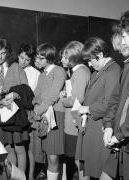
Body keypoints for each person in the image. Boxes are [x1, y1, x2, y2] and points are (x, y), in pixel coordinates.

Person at [75, 37, 121, 179]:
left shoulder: (113, 71)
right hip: (90, 126)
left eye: (90, 60)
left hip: (100, 127)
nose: (89, 64)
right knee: (83, 165)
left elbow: (110, 103)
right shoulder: (98, 72)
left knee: (98, 169)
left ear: (100, 55)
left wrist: (87, 109)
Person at [0, 38, 29, 173]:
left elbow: (26, 89)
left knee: (19, 148)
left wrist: (15, 95)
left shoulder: (15, 67)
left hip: (16, 114)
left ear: (8, 53)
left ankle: (22, 177)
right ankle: (13, 176)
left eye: (3, 53)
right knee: (8, 148)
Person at [100, 11, 129, 180]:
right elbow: (117, 98)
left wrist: (118, 135)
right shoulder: (126, 66)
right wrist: (109, 124)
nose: (122, 41)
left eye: (125, 36)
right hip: (120, 141)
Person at [33, 43, 66, 180]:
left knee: (53, 156)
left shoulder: (59, 71)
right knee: (48, 155)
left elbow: (52, 96)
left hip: (55, 116)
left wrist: (38, 110)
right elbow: (36, 95)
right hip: (42, 115)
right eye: (37, 57)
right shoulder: (42, 75)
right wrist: (35, 106)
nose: (37, 61)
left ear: (49, 58)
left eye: (41, 58)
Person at [59, 41, 91, 180]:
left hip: (74, 124)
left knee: (80, 161)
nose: (62, 60)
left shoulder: (80, 72)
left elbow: (76, 100)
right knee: (76, 160)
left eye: (65, 57)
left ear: (74, 57)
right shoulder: (78, 71)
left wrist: (62, 100)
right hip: (72, 124)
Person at [18, 43, 44, 180]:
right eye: (21, 58)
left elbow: (34, 96)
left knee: (30, 148)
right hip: (15, 114)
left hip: (29, 113)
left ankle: (31, 175)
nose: (23, 61)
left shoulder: (35, 74)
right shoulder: (13, 69)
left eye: (27, 59)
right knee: (19, 146)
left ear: (31, 60)